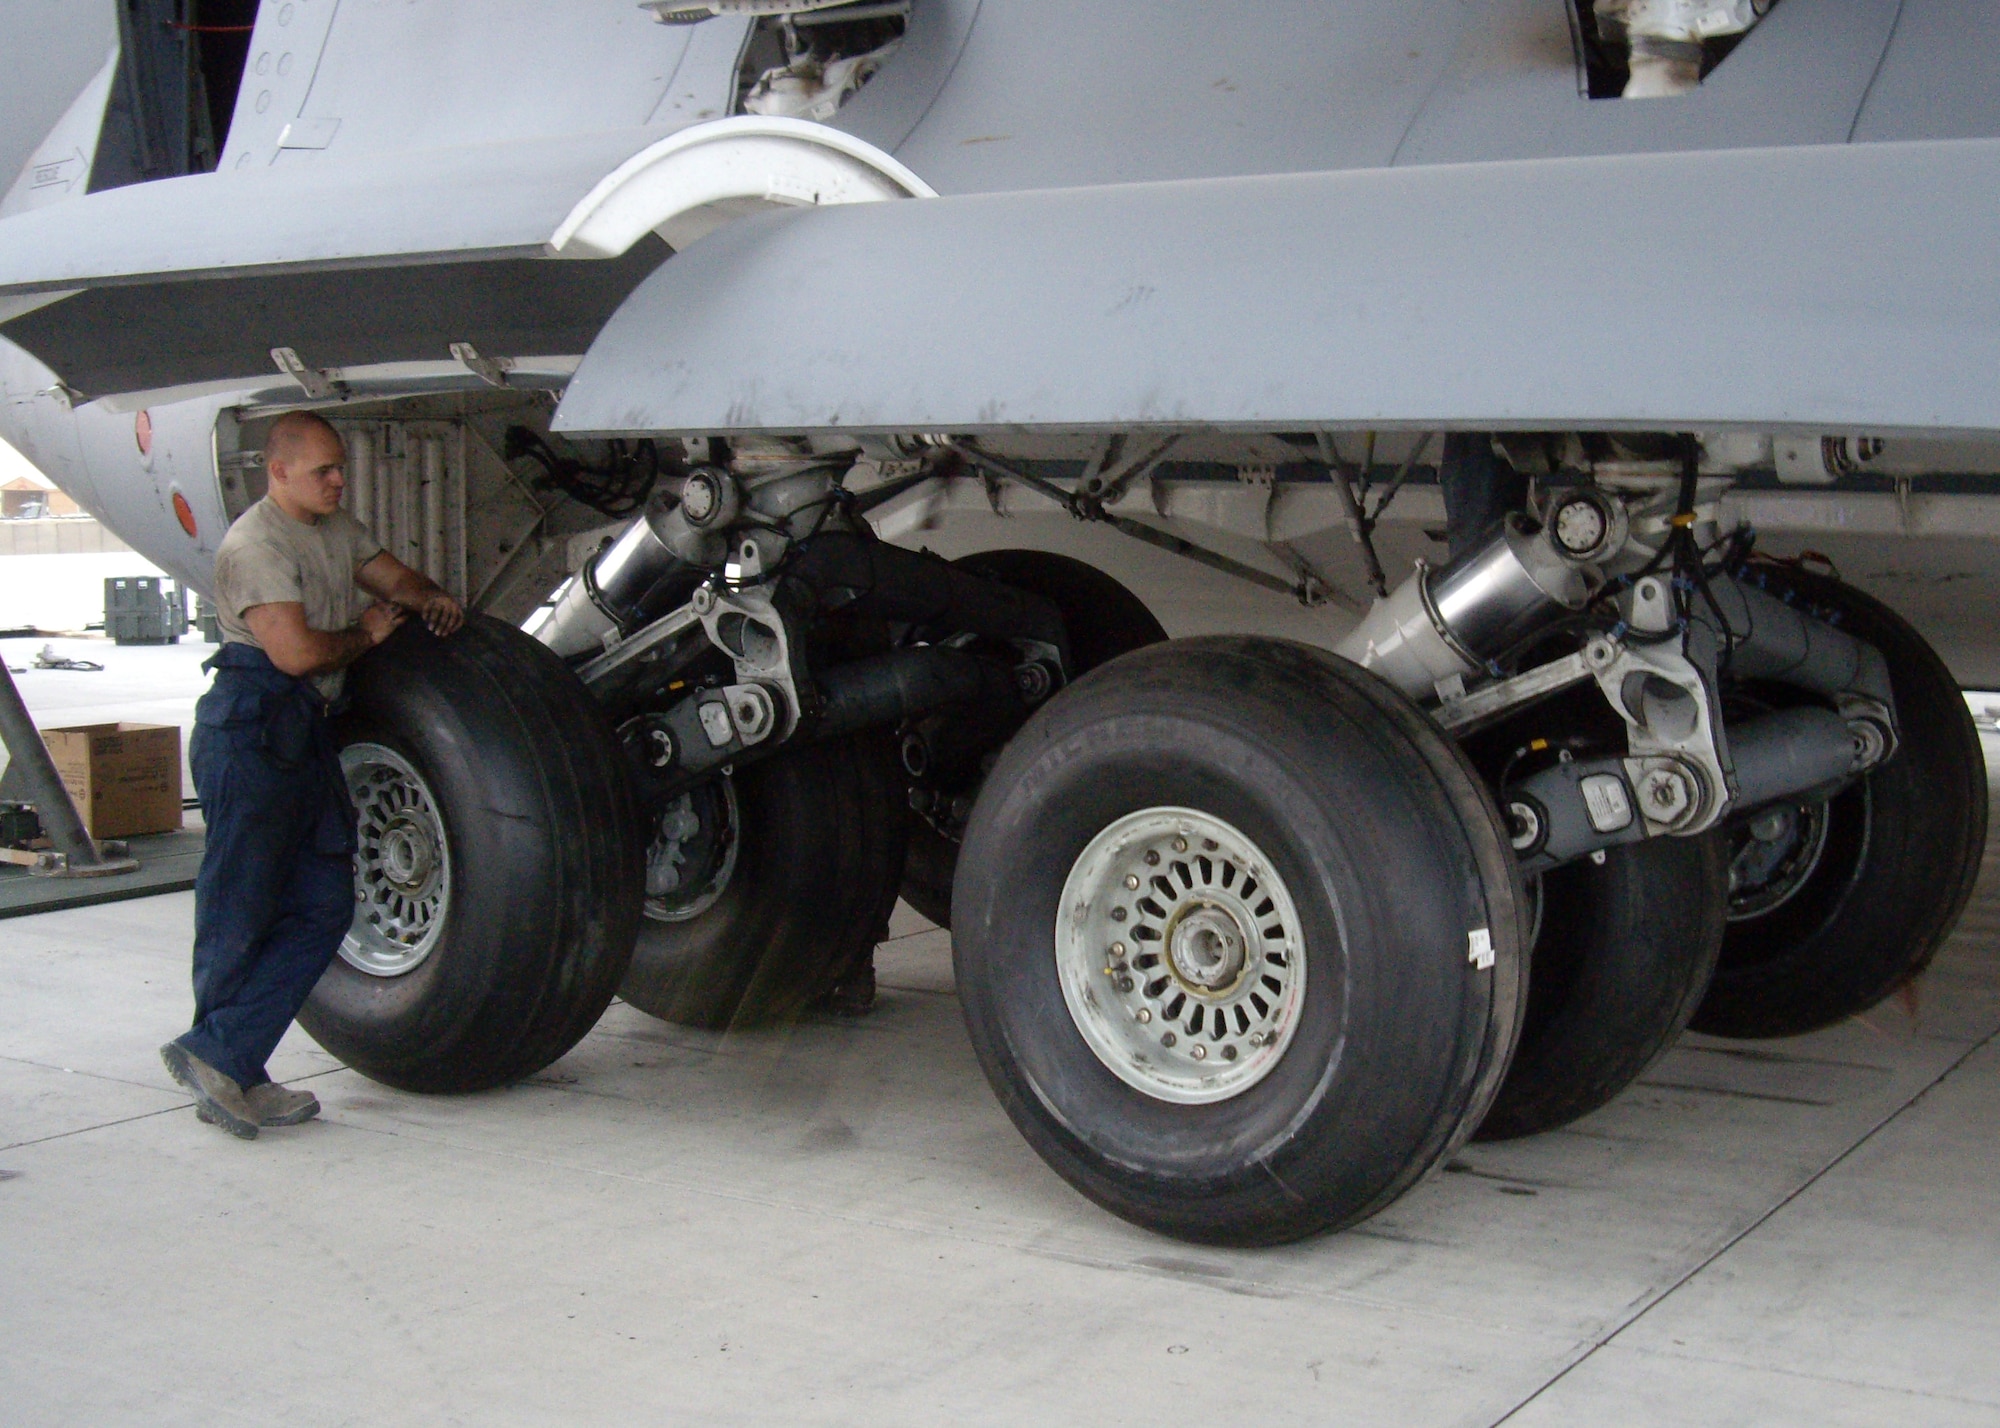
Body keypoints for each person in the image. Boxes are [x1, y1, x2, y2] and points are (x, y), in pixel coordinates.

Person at [160, 411, 463, 1139]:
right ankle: (229, 1065)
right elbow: (294, 652)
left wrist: (429, 599)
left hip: (301, 729)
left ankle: (223, 1055)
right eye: (325, 470)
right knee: (242, 905)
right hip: (251, 726)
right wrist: (369, 633)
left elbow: (390, 575)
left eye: (339, 469)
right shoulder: (257, 545)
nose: (338, 480)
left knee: (326, 904)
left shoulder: (333, 527)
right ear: (279, 471)